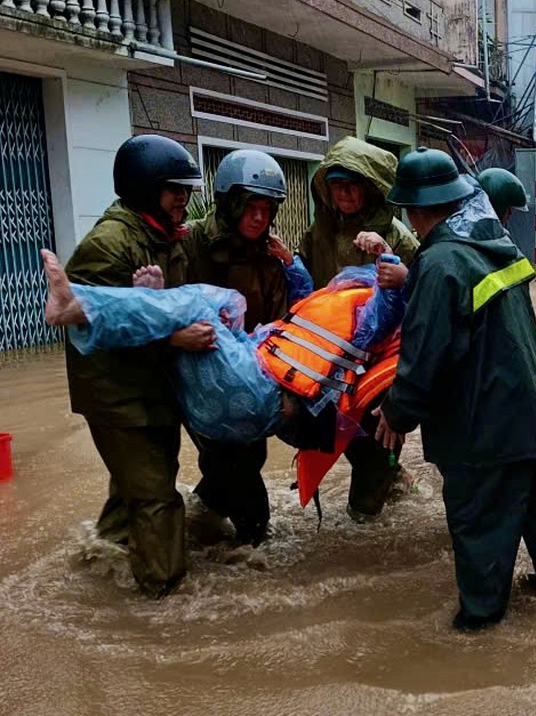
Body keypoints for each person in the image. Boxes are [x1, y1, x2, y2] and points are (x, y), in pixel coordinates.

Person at [372, 147, 536, 631]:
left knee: (481, 529)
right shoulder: (495, 244)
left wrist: (395, 414)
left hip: (486, 434)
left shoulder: (441, 263)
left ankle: (479, 637)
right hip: (534, 421)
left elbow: (424, 360)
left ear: (415, 210)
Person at [42, 249, 404, 454]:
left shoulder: (373, 316)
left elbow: (384, 318)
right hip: (234, 400)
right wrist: (290, 262)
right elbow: (302, 308)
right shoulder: (341, 309)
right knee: (227, 306)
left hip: (256, 394)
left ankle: (80, 307)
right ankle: (152, 303)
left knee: (204, 305)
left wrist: (389, 265)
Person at [63, 134, 204, 598]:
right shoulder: (109, 244)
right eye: (174, 190)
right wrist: (170, 332)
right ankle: (163, 597)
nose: (183, 199)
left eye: (186, 190)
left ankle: (100, 555)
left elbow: (176, 304)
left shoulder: (165, 235)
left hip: (153, 383)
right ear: (145, 188)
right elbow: (92, 323)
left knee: (137, 486)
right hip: (116, 392)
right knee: (156, 497)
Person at [296, 136, 418, 521]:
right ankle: (394, 480)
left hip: (382, 366)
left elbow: (428, 291)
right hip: (333, 360)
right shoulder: (317, 235)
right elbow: (304, 289)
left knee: (376, 445)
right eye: (336, 183)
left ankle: (368, 513)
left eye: (351, 183)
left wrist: (387, 255)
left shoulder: (398, 234)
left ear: (369, 188)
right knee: (342, 436)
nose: (343, 192)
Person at [180, 149, 293, 546]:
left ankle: (198, 522)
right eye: (251, 207)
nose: (259, 217)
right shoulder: (190, 242)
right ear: (229, 203)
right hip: (196, 378)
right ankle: (246, 547)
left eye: (267, 209)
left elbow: (280, 324)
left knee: (248, 457)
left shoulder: (271, 257)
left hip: (247, 379)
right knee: (235, 466)